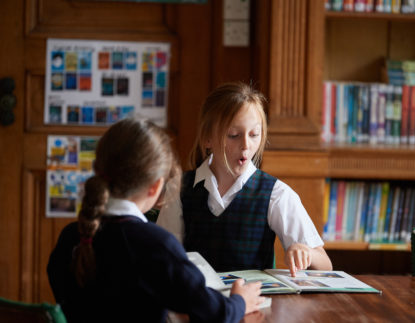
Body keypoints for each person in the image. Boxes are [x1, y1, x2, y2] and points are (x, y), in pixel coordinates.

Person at [47, 118, 264, 323]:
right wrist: (239, 301)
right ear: (155, 186)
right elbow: (215, 313)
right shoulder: (154, 245)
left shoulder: (71, 236)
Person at [157, 82, 332, 276]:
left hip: (253, 302)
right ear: (207, 138)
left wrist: (306, 252)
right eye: (233, 135)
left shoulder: (276, 193)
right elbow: (163, 256)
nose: (246, 145)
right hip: (197, 301)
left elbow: (325, 265)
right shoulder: (180, 187)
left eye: (254, 134)